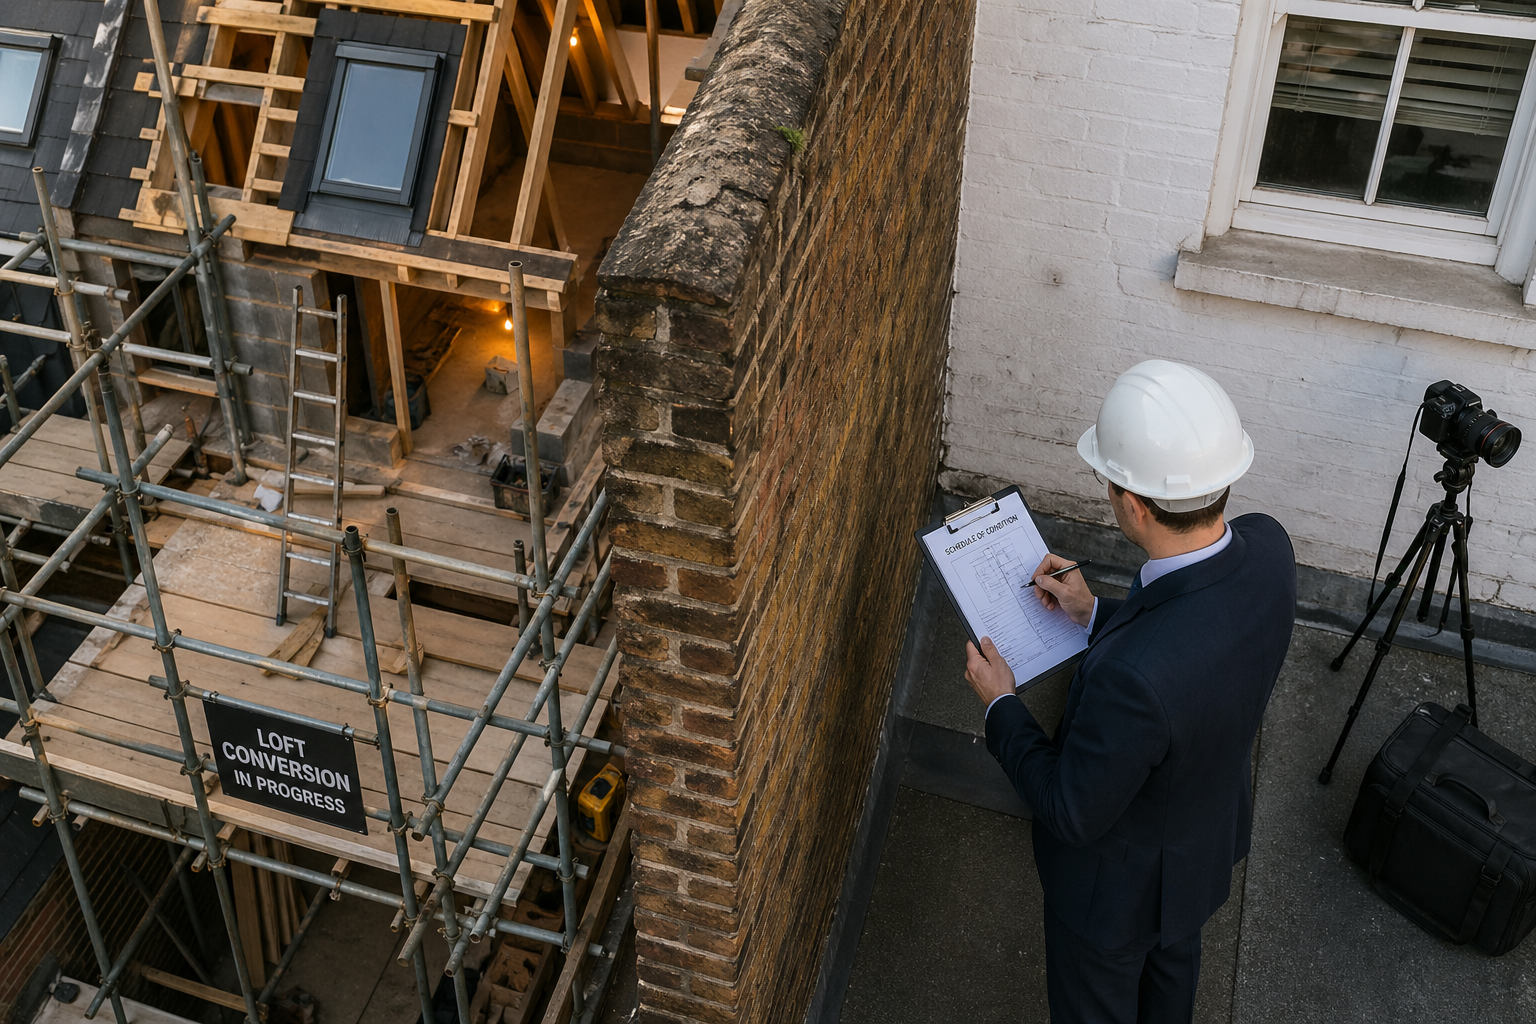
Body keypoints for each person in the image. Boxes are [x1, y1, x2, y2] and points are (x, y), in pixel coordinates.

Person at [963, 359, 1297, 1024]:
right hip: (1198, 852)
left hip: (1111, 898)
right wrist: (1093, 613)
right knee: (1171, 983)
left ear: (1134, 506)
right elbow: (1195, 640)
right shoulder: (1269, 548)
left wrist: (1002, 706)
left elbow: (1070, 809)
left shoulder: (1134, 682)